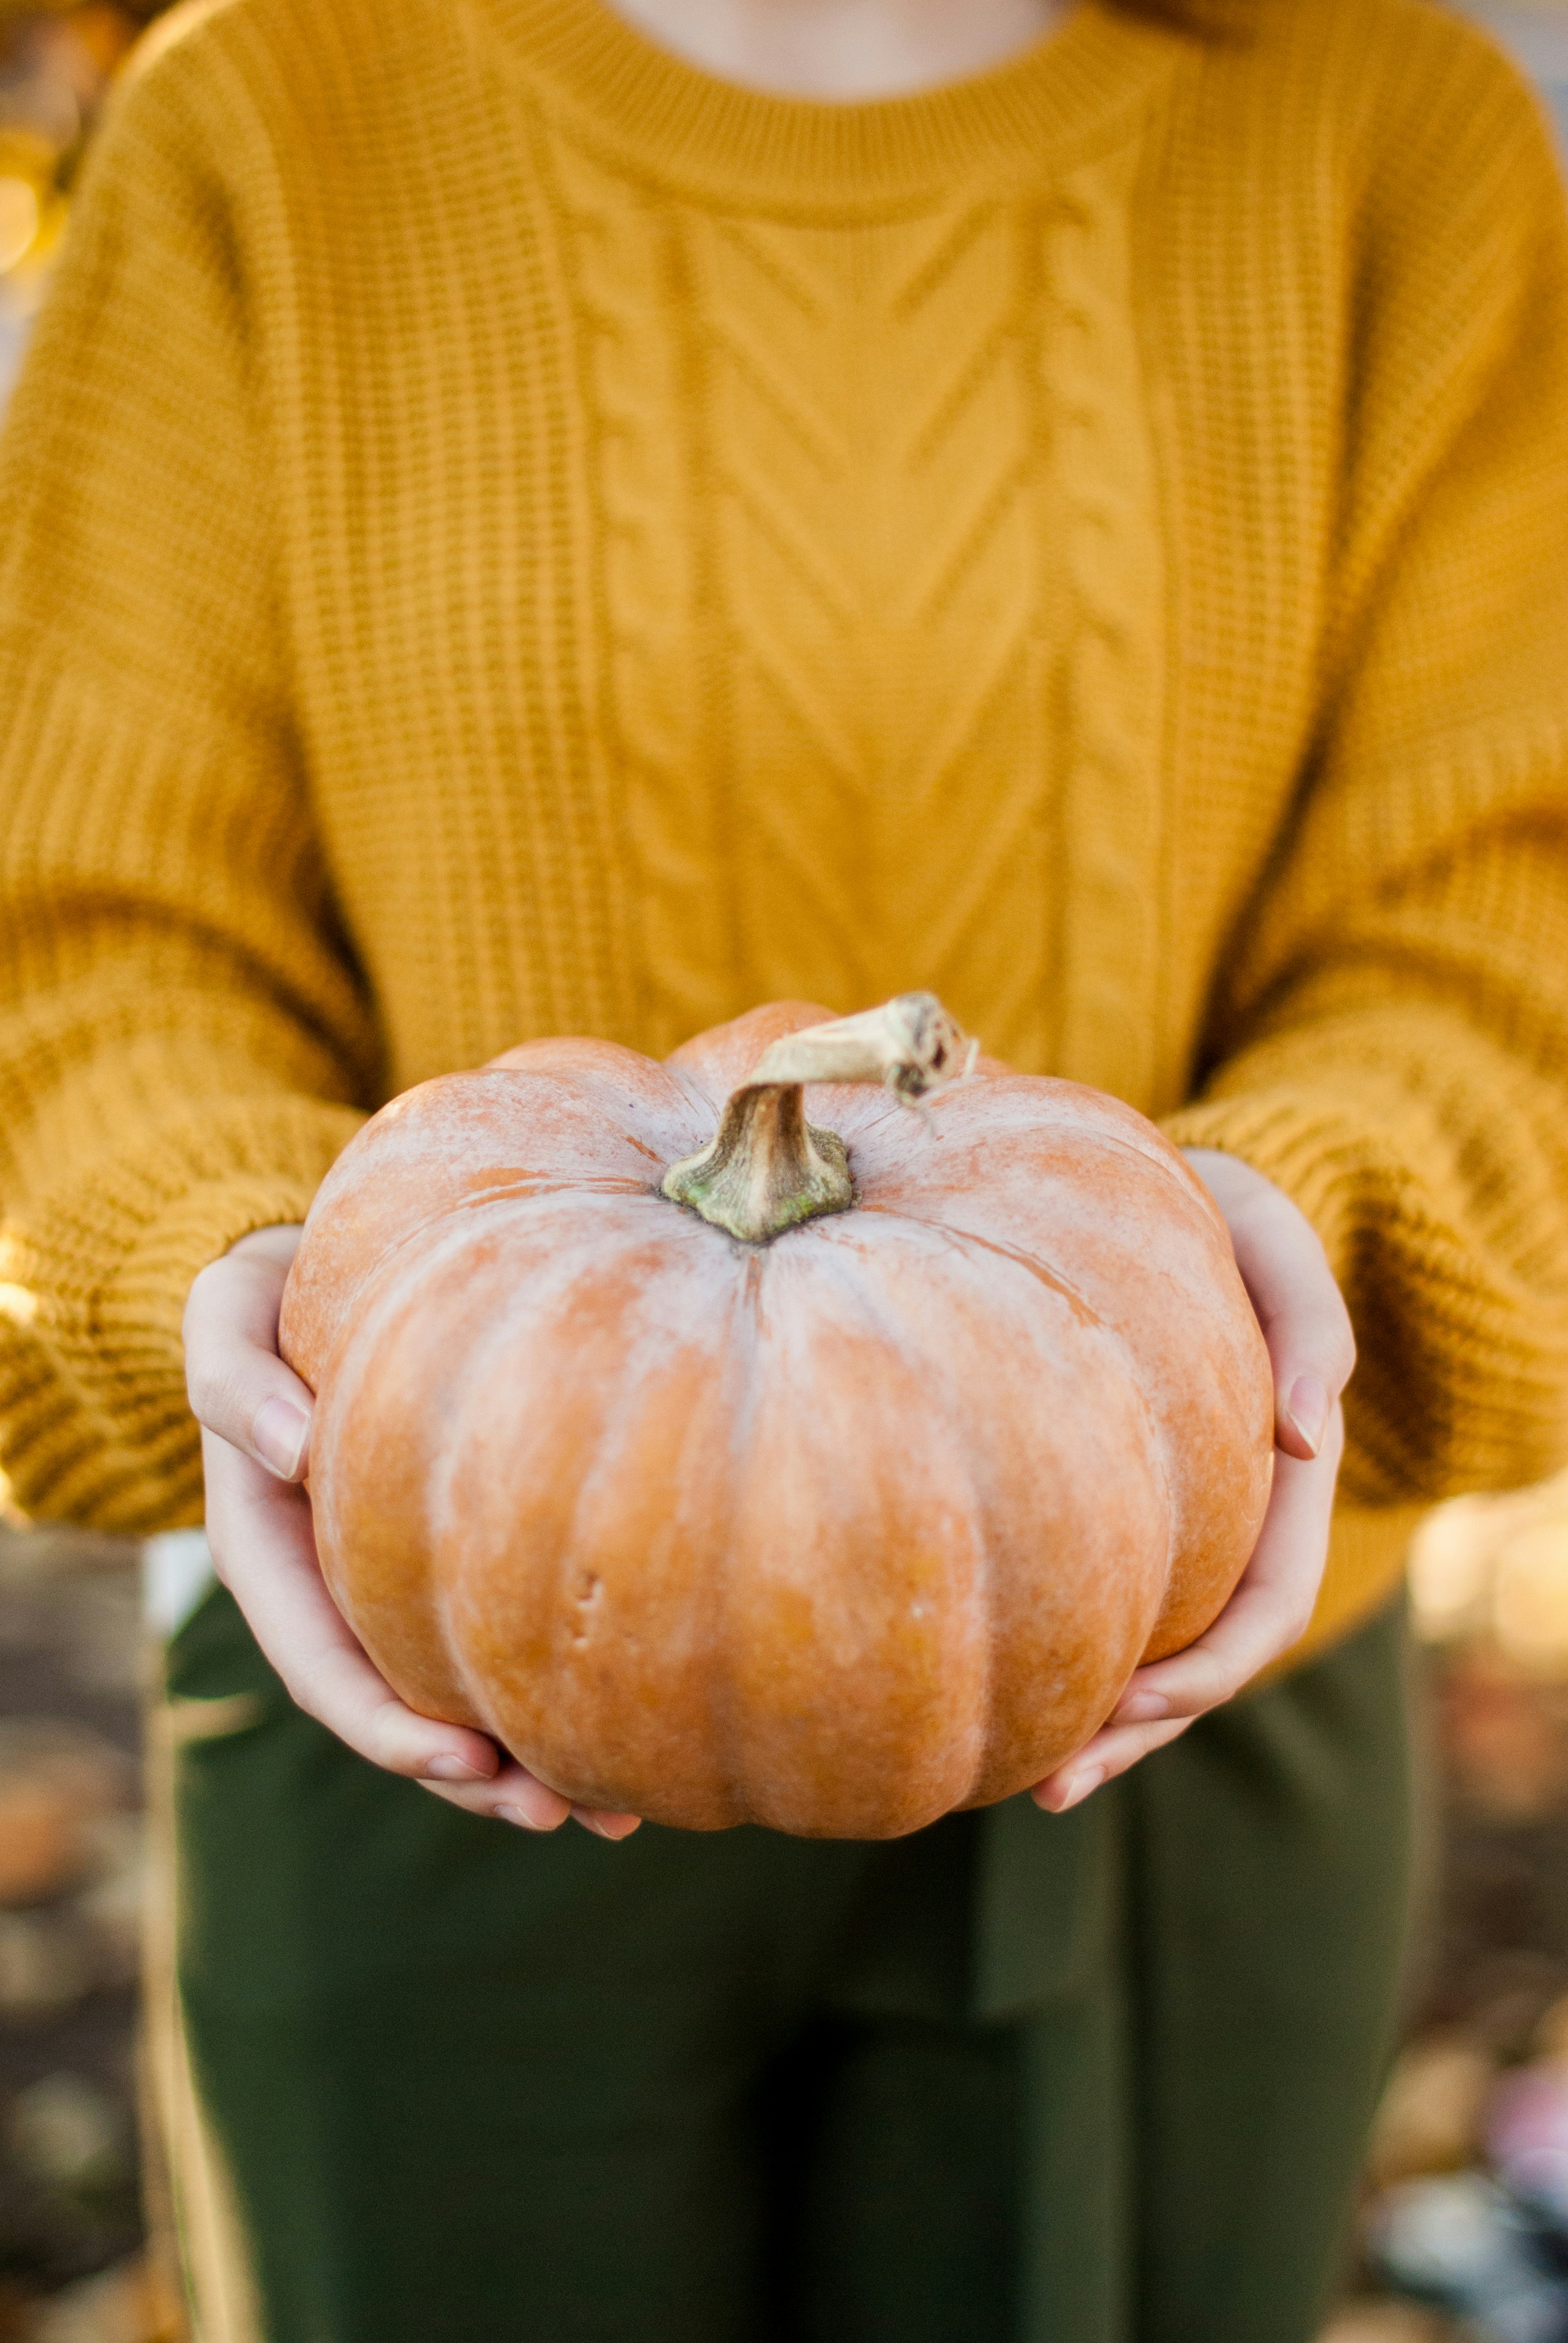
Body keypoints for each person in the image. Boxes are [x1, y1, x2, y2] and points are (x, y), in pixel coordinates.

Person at [1, 0, 1566, 2333]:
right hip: (427, 1651)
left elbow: (1501, 908)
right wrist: (233, 1262)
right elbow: (91, 942)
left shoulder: (1379, 129)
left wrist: (1258, 1250)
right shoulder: (277, 113)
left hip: (1167, 1687)